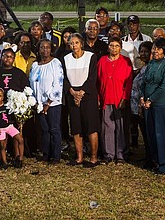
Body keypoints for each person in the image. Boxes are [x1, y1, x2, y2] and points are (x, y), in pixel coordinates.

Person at [140, 38, 165, 174]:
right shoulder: (151, 64)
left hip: (163, 104)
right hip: (149, 105)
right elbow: (145, 82)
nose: (155, 51)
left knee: (163, 134)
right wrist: (143, 97)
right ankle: (155, 161)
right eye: (154, 48)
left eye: (159, 49)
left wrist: (151, 99)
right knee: (152, 134)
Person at [63, 33, 100, 167]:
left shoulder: (90, 57)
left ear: (81, 43)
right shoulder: (66, 58)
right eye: (71, 43)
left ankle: (93, 158)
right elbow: (65, 79)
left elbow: (92, 77)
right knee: (76, 127)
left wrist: (81, 93)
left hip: (87, 94)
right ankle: (79, 157)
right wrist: (73, 93)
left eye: (76, 43)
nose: (74, 46)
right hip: (72, 94)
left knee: (91, 127)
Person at [97, 36, 134, 163]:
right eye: (111, 46)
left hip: (120, 99)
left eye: (117, 46)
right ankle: (108, 153)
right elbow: (97, 80)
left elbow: (129, 82)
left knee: (121, 126)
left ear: (121, 48)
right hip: (106, 97)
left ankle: (121, 153)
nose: (114, 48)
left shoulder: (126, 61)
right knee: (107, 126)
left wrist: (125, 98)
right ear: (108, 47)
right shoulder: (102, 61)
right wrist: (98, 97)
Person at [30, 39, 64, 164]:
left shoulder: (55, 63)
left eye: (47, 47)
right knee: (44, 130)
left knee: (54, 129)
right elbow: (32, 85)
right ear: (38, 50)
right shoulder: (35, 65)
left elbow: (58, 84)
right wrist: (36, 102)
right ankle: (46, 154)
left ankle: (56, 156)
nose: (45, 50)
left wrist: (48, 103)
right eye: (42, 47)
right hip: (39, 104)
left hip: (52, 103)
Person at [0, 87, 25, 169]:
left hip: (9, 126)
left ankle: (20, 159)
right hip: (0, 129)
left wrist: (19, 123)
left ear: (3, 97)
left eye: (0, 96)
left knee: (20, 140)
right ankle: (4, 162)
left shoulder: (7, 106)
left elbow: (13, 115)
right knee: (2, 146)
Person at [130, 41, 153, 149]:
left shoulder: (151, 68)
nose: (143, 54)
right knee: (144, 132)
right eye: (141, 51)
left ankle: (151, 158)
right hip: (138, 106)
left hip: (145, 105)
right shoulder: (144, 67)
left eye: (146, 51)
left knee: (149, 132)